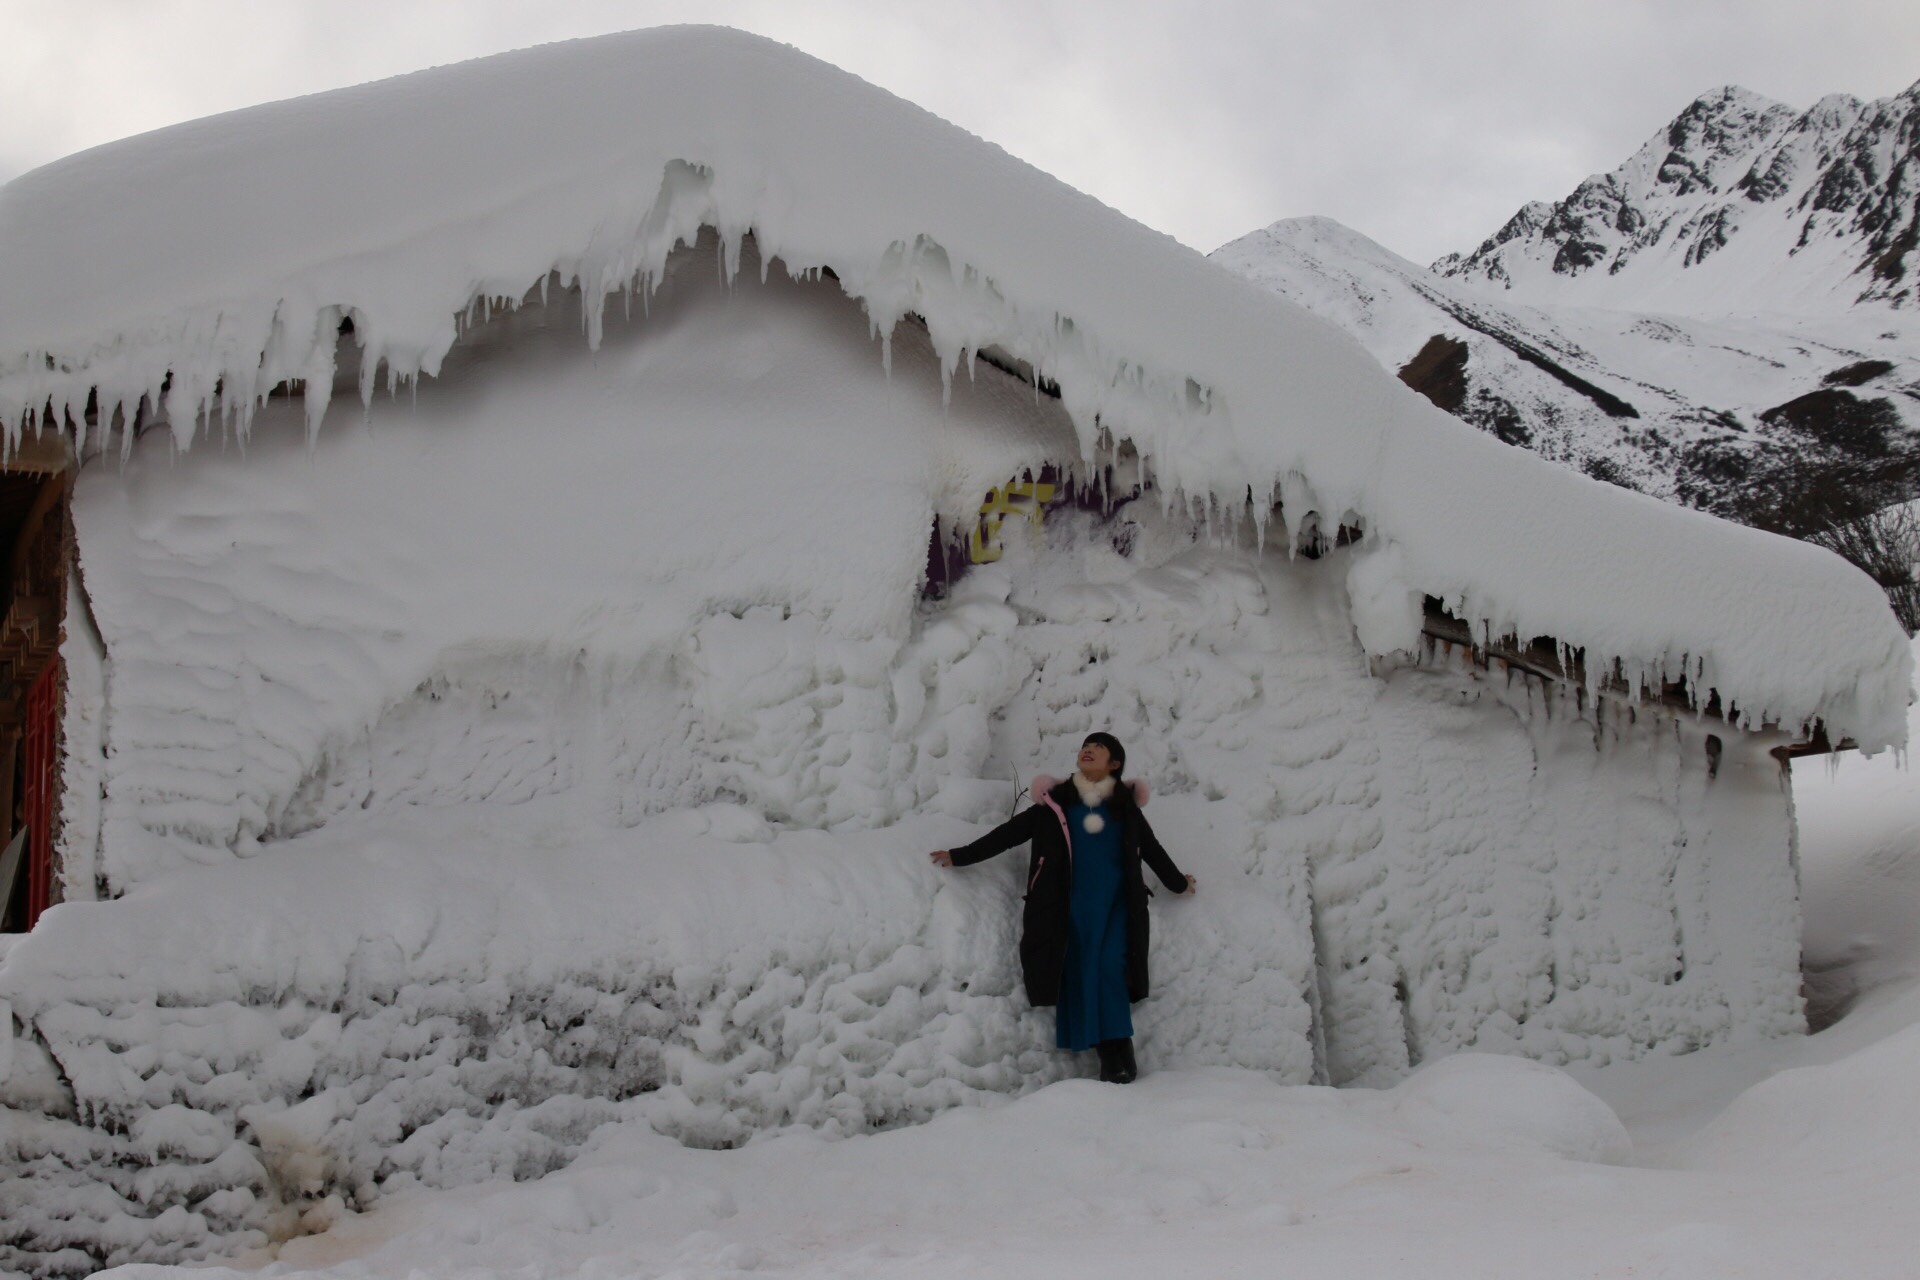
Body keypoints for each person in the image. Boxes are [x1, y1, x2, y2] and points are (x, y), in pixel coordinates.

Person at [929, 733, 1196, 1083]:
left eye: (1098, 748)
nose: (1088, 750)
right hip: (1066, 906)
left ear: (1114, 764)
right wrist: (960, 856)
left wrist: (1178, 883)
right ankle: (1107, 1052)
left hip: (1117, 906)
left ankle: (1119, 1051)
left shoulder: (1125, 808)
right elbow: (1009, 833)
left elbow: (1153, 850)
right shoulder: (1053, 805)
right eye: (1086, 746)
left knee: (1112, 967)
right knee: (1081, 970)